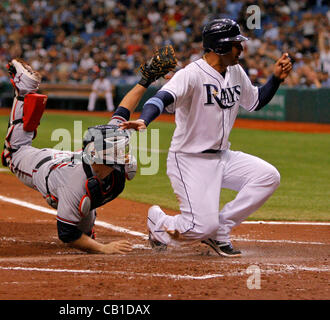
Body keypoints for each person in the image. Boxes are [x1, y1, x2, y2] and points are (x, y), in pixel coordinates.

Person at [120, 19, 293, 257]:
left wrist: (275, 79)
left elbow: (255, 102)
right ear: (219, 47)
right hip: (190, 159)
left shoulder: (235, 71)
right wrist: (145, 119)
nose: (240, 50)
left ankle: (220, 229)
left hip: (223, 157)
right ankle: (159, 223)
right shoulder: (190, 75)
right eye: (236, 45)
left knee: (267, 176)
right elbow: (160, 99)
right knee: (199, 226)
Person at [1, 48, 176, 254]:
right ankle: (24, 92)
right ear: (103, 156)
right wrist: (104, 248)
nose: (125, 152)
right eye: (119, 150)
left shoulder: (107, 156)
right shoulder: (75, 184)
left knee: (85, 217)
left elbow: (123, 110)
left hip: (72, 163)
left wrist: (145, 80)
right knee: (13, 154)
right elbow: (66, 234)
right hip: (45, 167)